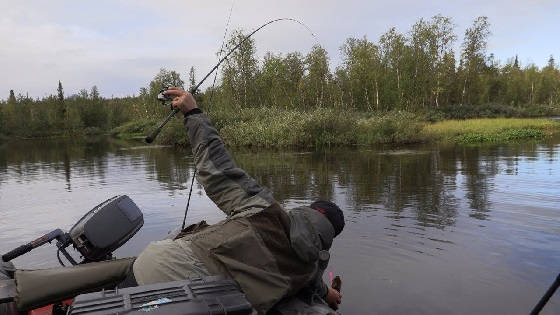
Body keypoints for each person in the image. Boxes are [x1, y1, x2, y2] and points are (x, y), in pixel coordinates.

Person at [132, 87, 344, 314]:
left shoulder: (265, 208)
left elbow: (215, 168)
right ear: (327, 239)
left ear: (306, 211)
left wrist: (193, 113)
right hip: (187, 297)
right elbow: (314, 283)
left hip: (154, 268)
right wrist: (328, 294)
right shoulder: (307, 270)